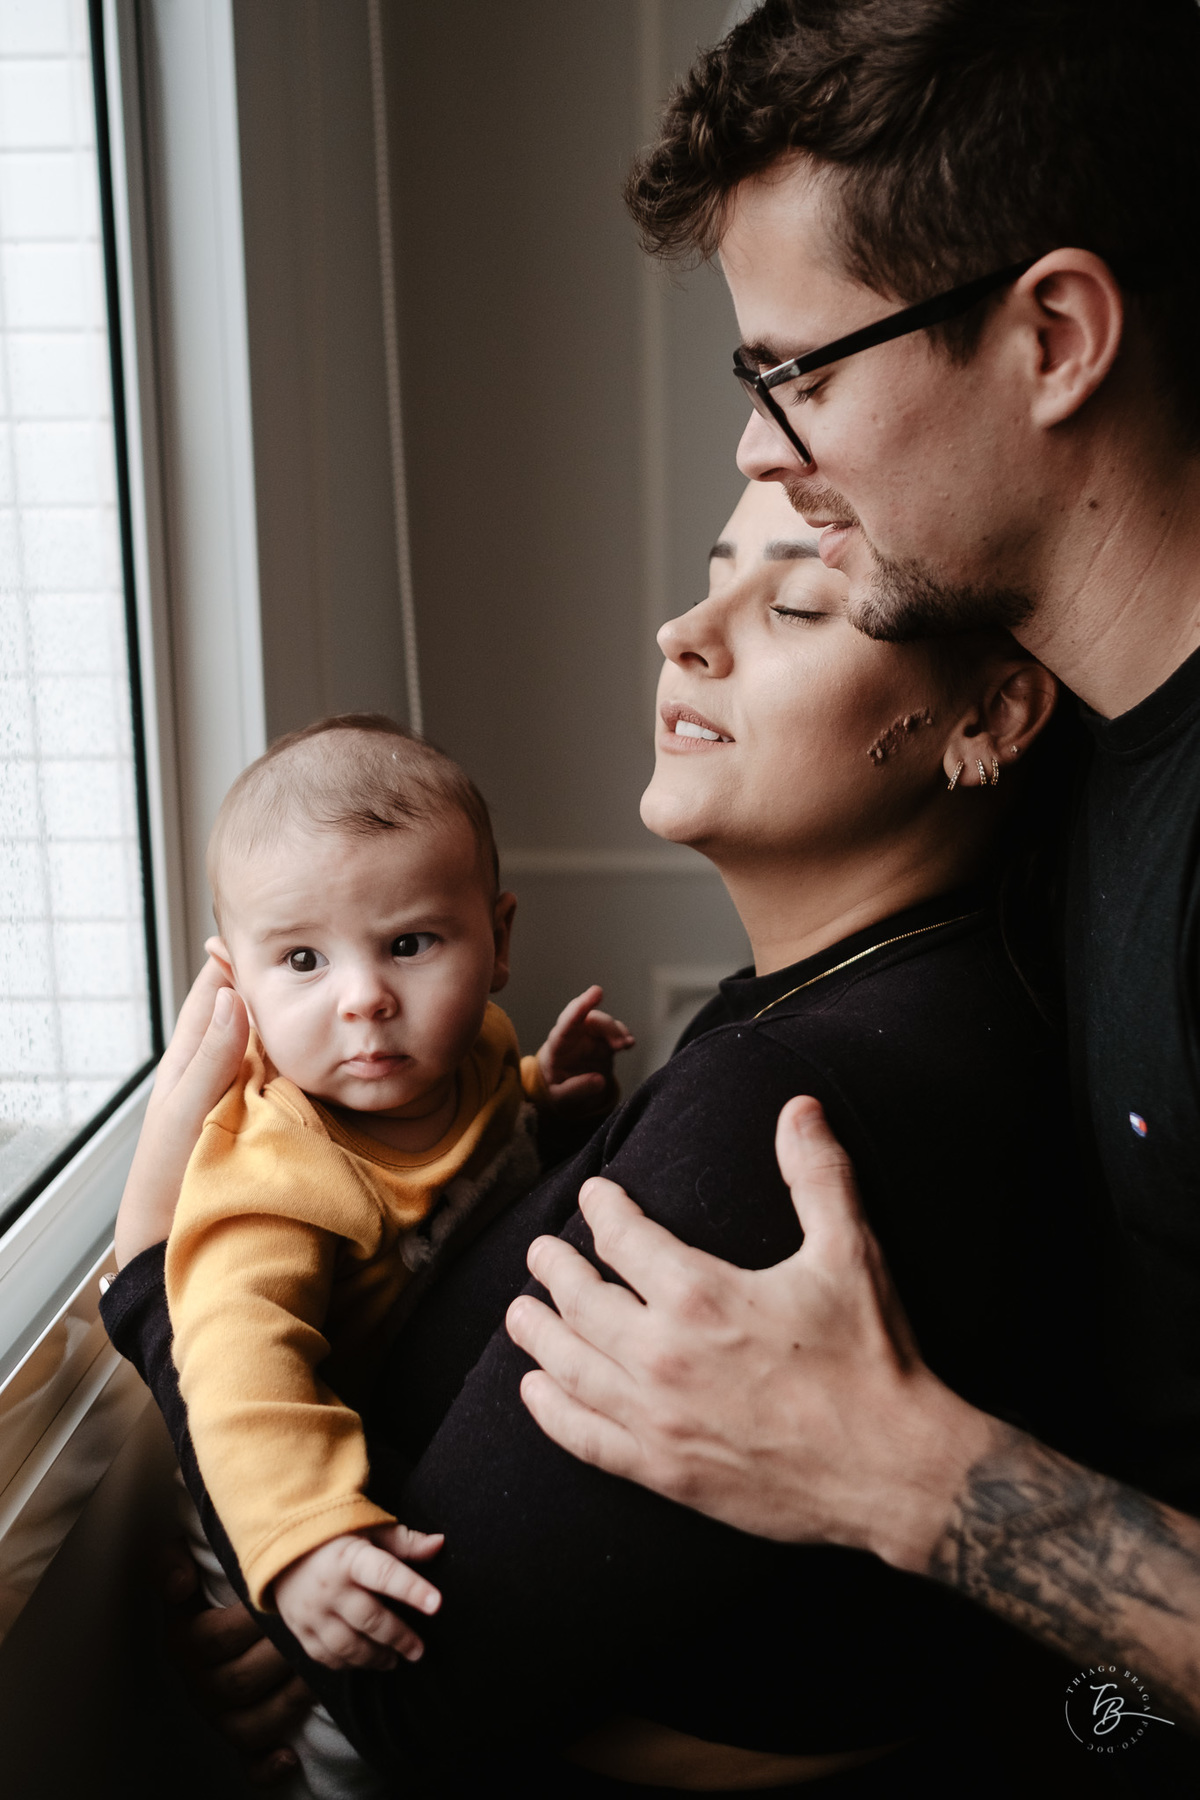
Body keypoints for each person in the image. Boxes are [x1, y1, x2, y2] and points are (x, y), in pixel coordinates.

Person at [106, 480, 1110, 1792]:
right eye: (711, 576)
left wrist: (143, 1278)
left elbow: (415, 1698)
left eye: (799, 601)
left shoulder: (793, 1106)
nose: (681, 632)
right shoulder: (858, 1001)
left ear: (987, 717)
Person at [498, 0, 1200, 1747]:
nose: (757, 447)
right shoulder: (1082, 768)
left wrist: (901, 1476)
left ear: (1055, 334)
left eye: (795, 370)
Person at [158, 713, 631, 1794]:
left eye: (410, 944)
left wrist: (541, 1101)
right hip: (269, 1482)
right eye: (303, 960)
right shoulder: (276, 1169)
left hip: (390, 1445)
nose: (363, 997)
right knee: (346, 1739)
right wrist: (302, 1542)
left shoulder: (475, 1050)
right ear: (237, 981)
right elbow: (238, 1366)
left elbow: (478, 1144)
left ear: (496, 938)